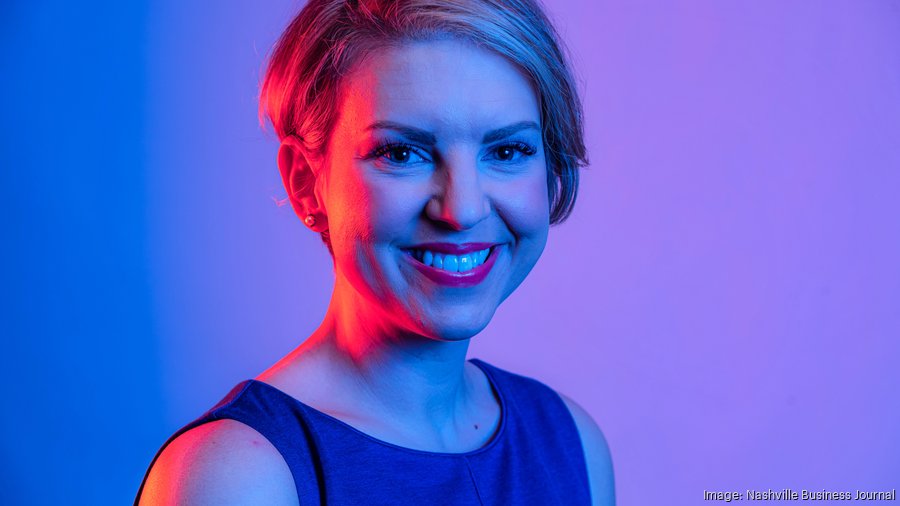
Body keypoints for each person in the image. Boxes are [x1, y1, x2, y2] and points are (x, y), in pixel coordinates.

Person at [136, 0, 614, 504]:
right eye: (402, 153)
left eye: (507, 151)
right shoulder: (239, 476)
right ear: (306, 182)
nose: (463, 209)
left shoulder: (571, 443)